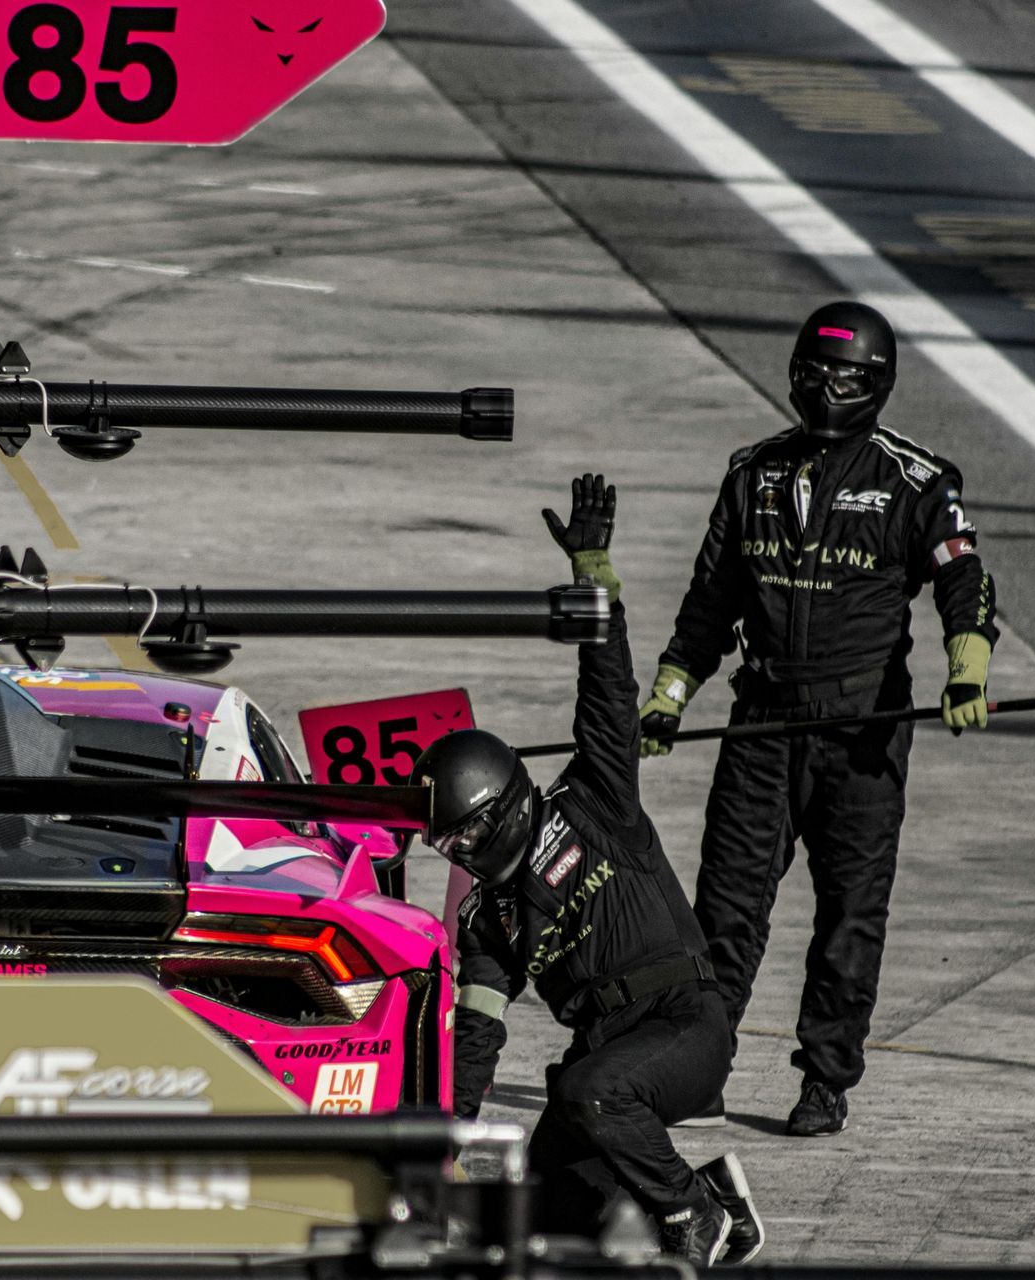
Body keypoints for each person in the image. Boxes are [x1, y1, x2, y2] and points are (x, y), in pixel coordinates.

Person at [638, 301, 998, 1137]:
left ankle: (827, 1079)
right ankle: (699, 1069)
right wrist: (667, 694)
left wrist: (967, 666)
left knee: (849, 912)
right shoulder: (753, 474)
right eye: (814, 372)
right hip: (760, 726)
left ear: (876, 384)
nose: (827, 387)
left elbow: (963, 578)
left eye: (845, 377)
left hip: (861, 732)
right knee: (722, 913)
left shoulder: (917, 480)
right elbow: (708, 603)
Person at [424, 475, 762, 1266]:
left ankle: (693, 1212)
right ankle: (718, 1203)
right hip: (603, 1053)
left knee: (590, 1094)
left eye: (465, 836)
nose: (460, 856)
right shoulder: (488, 922)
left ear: (503, 808)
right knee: (547, 1203)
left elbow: (608, 695)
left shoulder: (595, 802)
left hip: (684, 1025)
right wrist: (444, 1137)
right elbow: (475, 1037)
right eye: (447, 848)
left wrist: (592, 577)